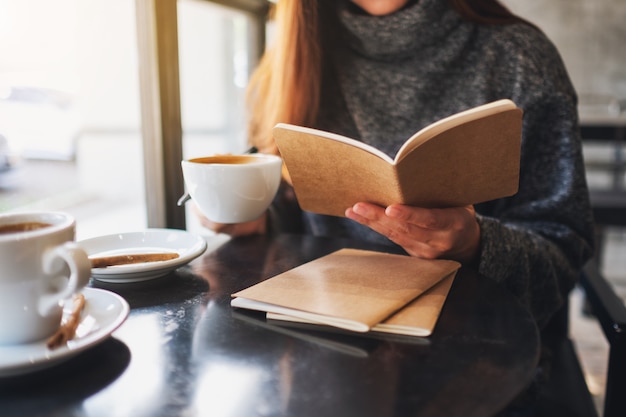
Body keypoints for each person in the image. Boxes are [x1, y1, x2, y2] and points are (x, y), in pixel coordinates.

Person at [200, 0, 595, 412]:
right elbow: (292, 204)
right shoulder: (293, 55)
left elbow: (563, 250)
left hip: (475, 358)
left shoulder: (519, 57)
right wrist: (254, 215)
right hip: (314, 343)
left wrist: (476, 244)